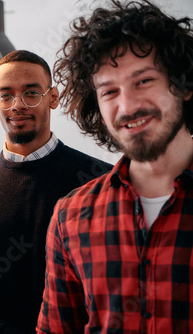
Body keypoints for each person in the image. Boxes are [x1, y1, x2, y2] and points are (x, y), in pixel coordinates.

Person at [37, 1, 193, 333]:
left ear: (181, 85)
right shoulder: (70, 216)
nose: (128, 106)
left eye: (144, 81)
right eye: (109, 91)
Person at [0, 50, 113, 333]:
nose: (18, 105)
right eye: (6, 95)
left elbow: (114, 286)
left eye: (31, 93)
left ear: (53, 97)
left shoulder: (102, 181)